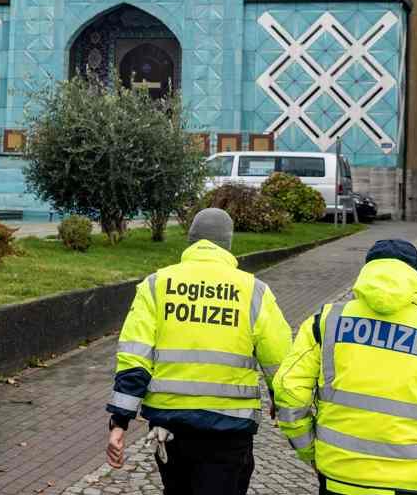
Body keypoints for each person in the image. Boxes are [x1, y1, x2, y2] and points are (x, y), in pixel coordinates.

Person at [273, 239, 417, 495]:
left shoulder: (325, 323)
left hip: (339, 476)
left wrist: (309, 451)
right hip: (412, 481)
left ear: (367, 272)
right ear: (415, 276)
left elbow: (289, 391)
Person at [105, 208, 292, 495]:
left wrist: (120, 422)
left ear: (190, 241)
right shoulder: (254, 291)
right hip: (230, 427)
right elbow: (279, 359)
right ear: (228, 244)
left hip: (171, 426)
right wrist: (282, 402)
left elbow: (134, 359)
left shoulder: (157, 285)